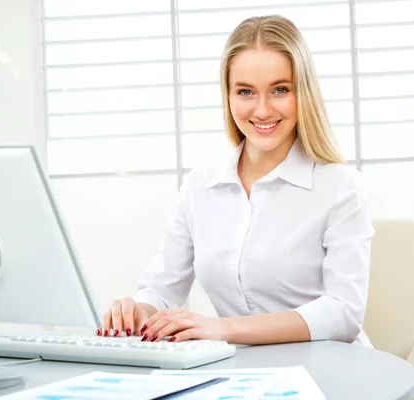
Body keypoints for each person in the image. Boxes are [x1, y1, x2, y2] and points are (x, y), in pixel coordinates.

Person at [99, 15, 375, 347]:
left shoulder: (342, 187)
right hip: (245, 375)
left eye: (280, 90)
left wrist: (226, 329)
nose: (262, 110)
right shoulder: (200, 187)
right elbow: (161, 289)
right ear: (228, 95)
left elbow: (343, 313)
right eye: (245, 91)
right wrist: (138, 313)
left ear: (303, 93)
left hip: (333, 372)